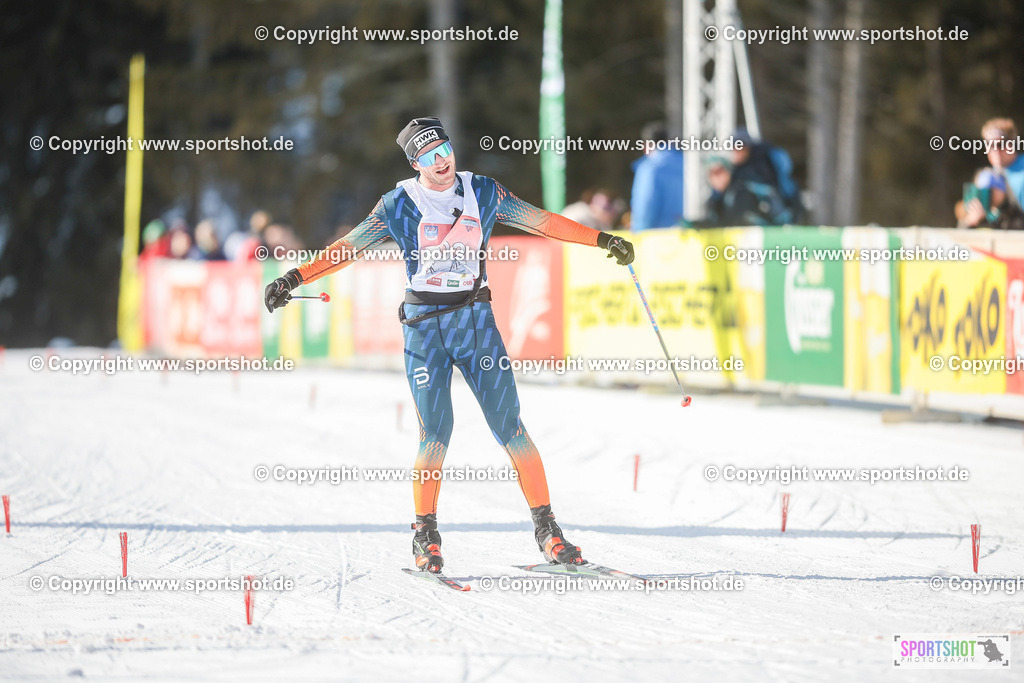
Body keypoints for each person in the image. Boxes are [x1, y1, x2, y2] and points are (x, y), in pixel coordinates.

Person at [264, 117, 634, 575]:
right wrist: (293, 277)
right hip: (425, 330)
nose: (442, 161)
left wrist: (602, 239)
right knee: (435, 434)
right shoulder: (398, 203)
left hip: (476, 323)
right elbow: (348, 247)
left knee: (511, 427)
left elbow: (541, 222)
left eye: (445, 150)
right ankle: (425, 535)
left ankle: (549, 532)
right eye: (429, 156)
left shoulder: (482, 190)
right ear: (415, 162)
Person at [629, 122, 684, 231]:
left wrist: (638, 233)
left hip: (657, 237)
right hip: (688, 236)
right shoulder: (688, 164)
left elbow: (645, 206)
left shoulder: (649, 168)